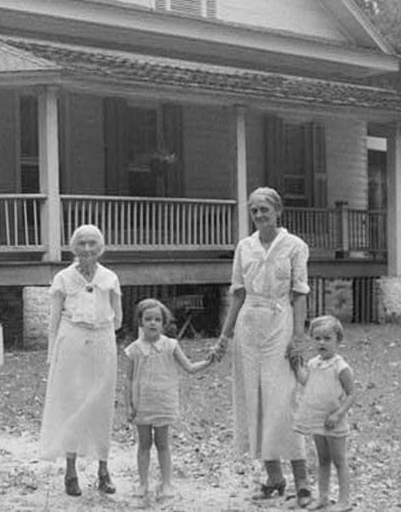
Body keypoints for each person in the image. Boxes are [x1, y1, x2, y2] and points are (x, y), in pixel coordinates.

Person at [214, 187, 314, 507]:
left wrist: (297, 338)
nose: (259, 215)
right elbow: (238, 294)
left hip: (280, 324)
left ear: (278, 210)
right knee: (255, 399)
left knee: (283, 401)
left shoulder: (295, 246)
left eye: (264, 209)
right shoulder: (244, 247)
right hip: (249, 327)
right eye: (254, 210)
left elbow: (299, 294)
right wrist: (224, 336)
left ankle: (301, 480)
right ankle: (273, 476)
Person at [38, 223, 123, 496]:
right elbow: (53, 322)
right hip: (71, 342)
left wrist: (98, 330)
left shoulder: (109, 277)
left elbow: (118, 319)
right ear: (73, 247)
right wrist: (54, 354)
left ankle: (103, 469)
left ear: (101, 248)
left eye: (92, 244)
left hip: (102, 342)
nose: (87, 249)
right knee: (73, 402)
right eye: (82, 243)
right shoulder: (63, 278)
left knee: (101, 404)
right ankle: (71, 470)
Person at [123, 297, 216, 500]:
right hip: (143, 404)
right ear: (140, 322)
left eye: (157, 319)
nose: (153, 323)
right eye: (148, 319)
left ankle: (166, 483)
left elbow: (189, 368)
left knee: (163, 444)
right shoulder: (134, 349)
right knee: (144, 444)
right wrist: (129, 405)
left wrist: (209, 361)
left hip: (163, 403)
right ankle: (143, 483)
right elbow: (129, 379)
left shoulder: (171, 345)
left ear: (163, 323)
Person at [293, 314, 357, 510]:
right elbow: (306, 382)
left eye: (327, 338)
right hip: (318, 419)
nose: (322, 342)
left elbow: (352, 394)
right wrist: (296, 366)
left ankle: (344, 500)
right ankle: (323, 497)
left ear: (338, 340)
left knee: (339, 460)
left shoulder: (341, 367)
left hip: (334, 421)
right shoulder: (313, 363)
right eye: (317, 338)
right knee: (323, 460)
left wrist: (338, 414)